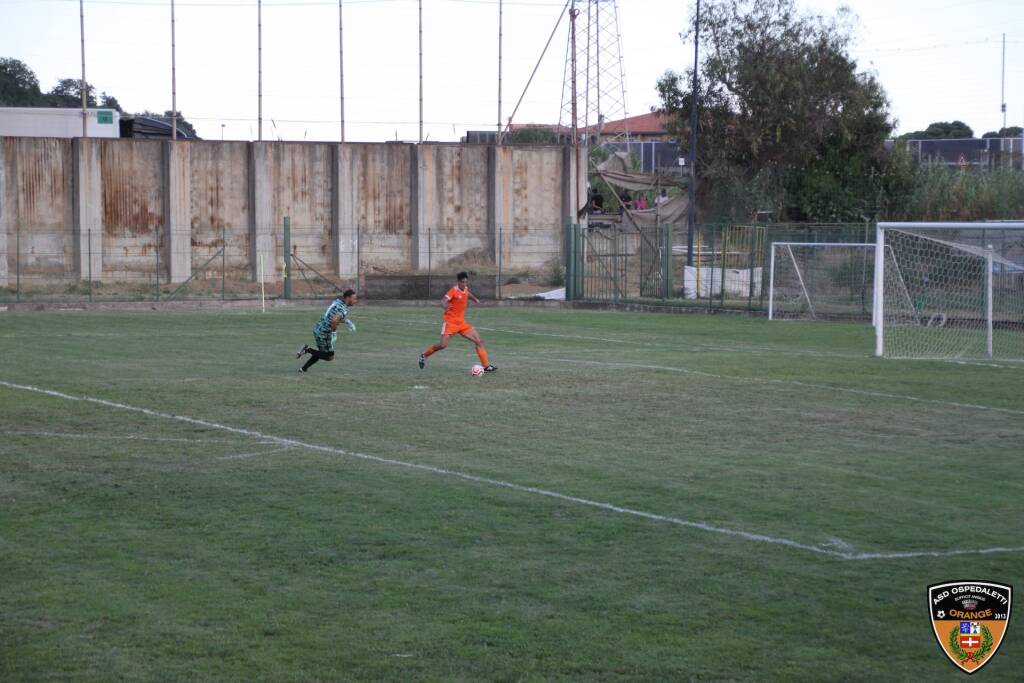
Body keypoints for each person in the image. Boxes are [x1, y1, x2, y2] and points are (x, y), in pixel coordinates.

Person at [419, 272, 496, 373]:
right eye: (462, 282)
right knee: (442, 345)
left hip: (462, 323)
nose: (464, 284)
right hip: (450, 323)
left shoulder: (465, 289)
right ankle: (424, 356)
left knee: (479, 341)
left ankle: (486, 366)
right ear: (458, 282)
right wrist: (445, 306)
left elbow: (467, 293)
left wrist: (475, 299)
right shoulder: (453, 291)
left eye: (466, 282)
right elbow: (443, 301)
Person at [296, 289, 357, 373]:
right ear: (348, 298)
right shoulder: (342, 308)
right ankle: (307, 349)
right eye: (354, 299)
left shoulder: (337, 302)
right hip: (325, 333)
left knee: (321, 352)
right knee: (329, 356)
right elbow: (334, 320)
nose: (355, 301)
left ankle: (303, 369)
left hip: (318, 328)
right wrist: (333, 332)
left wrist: (347, 321)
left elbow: (334, 316)